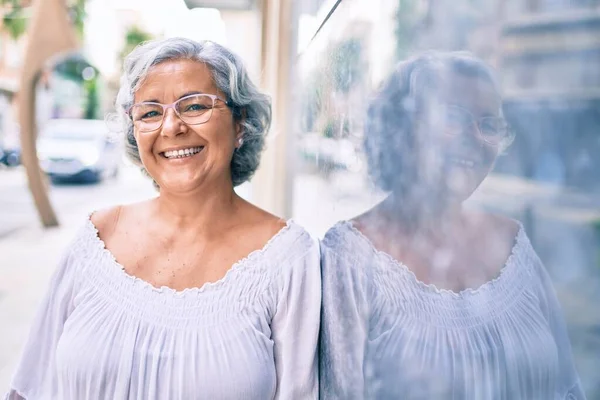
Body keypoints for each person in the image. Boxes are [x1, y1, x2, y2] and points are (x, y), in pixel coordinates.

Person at [7, 38, 320, 400]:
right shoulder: (97, 239)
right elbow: (29, 388)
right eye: (151, 112)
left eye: (195, 106)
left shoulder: (288, 259)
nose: (170, 127)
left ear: (240, 124)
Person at [319, 51, 585, 399]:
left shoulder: (515, 244)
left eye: (489, 123)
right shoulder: (350, 257)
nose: (473, 137)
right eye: (451, 117)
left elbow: (569, 388)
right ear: (400, 127)